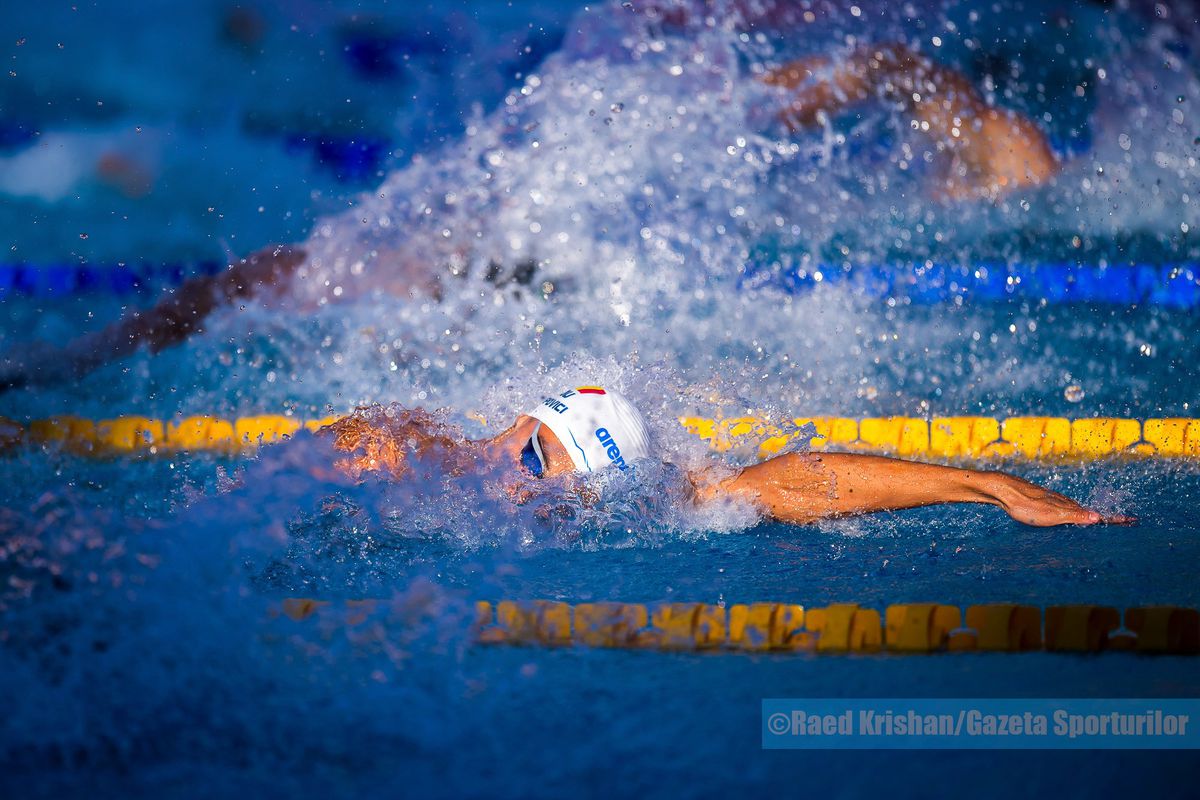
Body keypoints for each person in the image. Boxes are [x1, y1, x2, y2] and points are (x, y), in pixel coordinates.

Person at [0, 30, 1059, 392]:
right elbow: (870, 71)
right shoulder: (668, 94)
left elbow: (869, 71)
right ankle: (71, 357)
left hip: (551, 253)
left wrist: (962, 130)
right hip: (545, 250)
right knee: (284, 279)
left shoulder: (680, 91)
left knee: (281, 281)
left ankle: (69, 358)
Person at [320, 384, 1133, 528]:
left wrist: (984, 484)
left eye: (548, 484)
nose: (514, 477)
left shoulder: (646, 508)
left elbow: (785, 482)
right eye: (528, 453)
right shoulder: (393, 451)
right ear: (520, 423)